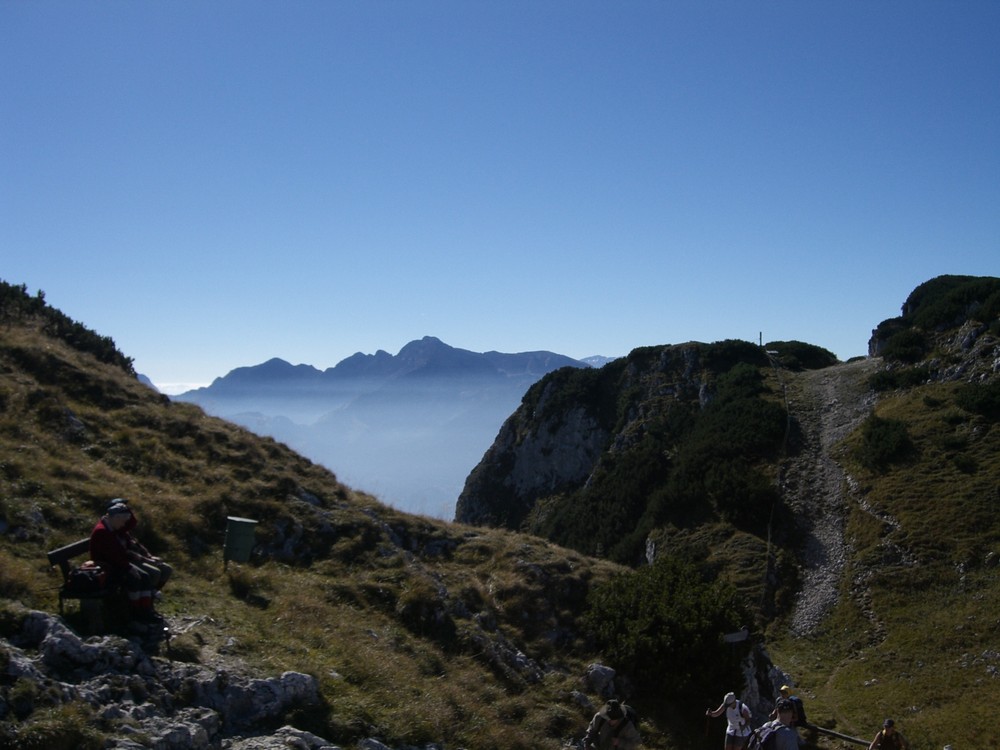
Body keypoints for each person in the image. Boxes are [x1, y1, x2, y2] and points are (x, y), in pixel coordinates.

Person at [89, 498, 172, 622]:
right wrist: (130, 567)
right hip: (108, 567)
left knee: (152, 573)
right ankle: (138, 611)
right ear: (116, 518)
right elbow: (114, 556)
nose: (124, 525)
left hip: (120, 562)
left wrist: (145, 557)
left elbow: (128, 538)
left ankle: (146, 606)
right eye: (122, 521)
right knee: (144, 575)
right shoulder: (103, 532)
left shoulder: (113, 527)